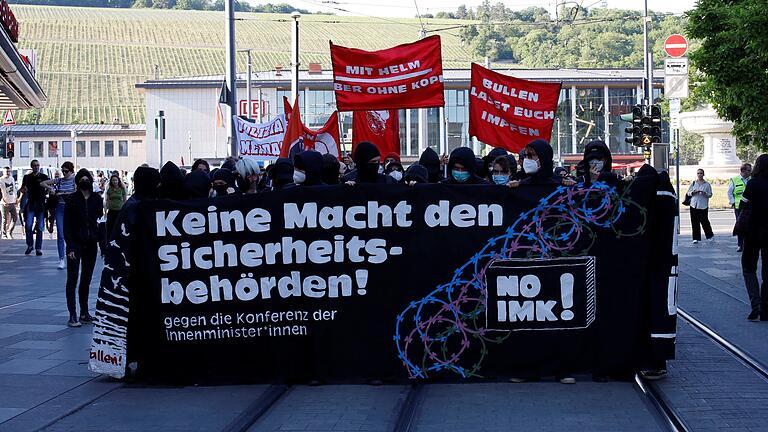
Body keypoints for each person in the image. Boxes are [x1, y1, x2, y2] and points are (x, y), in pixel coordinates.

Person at [63, 169, 106, 327]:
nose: (85, 181)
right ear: (78, 181)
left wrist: (103, 244)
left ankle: (84, 312)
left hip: (91, 243)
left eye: (88, 178)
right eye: (82, 178)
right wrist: (71, 247)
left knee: (86, 279)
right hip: (76, 244)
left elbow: (100, 222)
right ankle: (72, 314)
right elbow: (67, 225)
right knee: (72, 279)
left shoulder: (96, 198)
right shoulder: (72, 199)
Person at [737, 154, 768, 321]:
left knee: (749, 268)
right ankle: (766, 307)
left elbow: (742, 204)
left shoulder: (753, 183)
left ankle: (755, 304)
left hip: (753, 232)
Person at [41, 162, 77, 269]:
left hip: (71, 209)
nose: (64, 173)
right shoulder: (60, 180)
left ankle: (73, 253)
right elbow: (42, 183)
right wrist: (51, 188)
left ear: (71, 171)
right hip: (61, 207)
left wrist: (62, 194)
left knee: (72, 233)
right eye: (63, 171)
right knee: (60, 235)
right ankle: (61, 259)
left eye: (66, 171)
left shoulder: (74, 180)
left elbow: (75, 192)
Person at [20, 159, 49, 256]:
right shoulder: (27, 177)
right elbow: (22, 189)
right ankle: (30, 245)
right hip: (31, 203)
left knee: (40, 227)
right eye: (34, 165)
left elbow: (49, 187)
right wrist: (23, 190)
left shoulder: (44, 177)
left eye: (38, 165)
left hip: (40, 204)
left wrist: (47, 194)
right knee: (28, 225)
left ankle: (38, 248)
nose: (36, 167)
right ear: (31, 167)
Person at [686, 168, 714, 244]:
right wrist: (693, 192)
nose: (699, 175)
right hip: (694, 205)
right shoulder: (694, 183)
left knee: (704, 221)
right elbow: (688, 193)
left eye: (701, 173)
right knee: (694, 222)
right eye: (698, 173)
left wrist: (705, 193)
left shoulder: (707, 184)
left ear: (703, 174)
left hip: (703, 205)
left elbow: (710, 194)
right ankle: (696, 238)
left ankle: (710, 236)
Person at [729, 163, 752, 252]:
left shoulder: (752, 179)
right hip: (739, 206)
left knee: (750, 225)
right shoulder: (735, 180)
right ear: (743, 171)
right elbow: (730, 192)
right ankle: (740, 244)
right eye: (749, 170)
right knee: (740, 225)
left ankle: (748, 244)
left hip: (750, 206)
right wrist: (733, 202)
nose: (750, 172)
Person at [105, 173, 127, 238]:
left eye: (116, 180)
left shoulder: (122, 189)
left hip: (119, 210)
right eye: (113, 180)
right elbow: (107, 199)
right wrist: (106, 208)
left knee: (118, 226)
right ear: (111, 181)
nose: (114, 181)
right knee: (110, 226)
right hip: (111, 210)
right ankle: (109, 239)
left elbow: (125, 199)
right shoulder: (109, 189)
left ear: (118, 181)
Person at [1, 167, 18, 239]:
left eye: (9, 171)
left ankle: (9, 231)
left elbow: (14, 189)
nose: (8, 173)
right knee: (4, 219)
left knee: (15, 217)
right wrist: (2, 200)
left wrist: (16, 198)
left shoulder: (12, 179)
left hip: (12, 201)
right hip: (4, 203)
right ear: (3, 172)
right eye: (6, 172)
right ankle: (4, 234)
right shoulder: (1, 180)